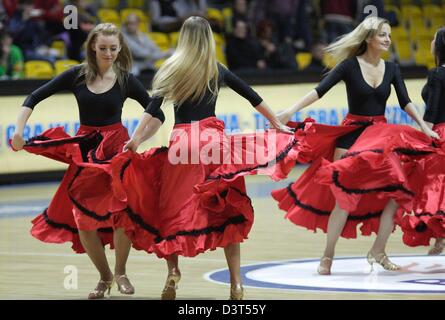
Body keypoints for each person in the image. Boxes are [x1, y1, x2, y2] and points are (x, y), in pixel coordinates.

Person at [111, 16, 296, 300]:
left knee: (171, 210)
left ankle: (172, 273)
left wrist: (135, 139)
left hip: (182, 143)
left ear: (183, 38)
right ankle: (236, 283)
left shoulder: (171, 69)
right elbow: (252, 96)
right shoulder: (216, 69)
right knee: (227, 211)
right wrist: (277, 124)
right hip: (212, 142)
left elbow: (151, 108)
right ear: (208, 38)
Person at [273, 17, 439, 275]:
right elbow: (320, 90)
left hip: (380, 138)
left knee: (397, 196)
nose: (388, 39)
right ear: (369, 38)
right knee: (345, 199)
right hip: (351, 137)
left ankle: (379, 250)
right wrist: (290, 111)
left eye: (389, 35)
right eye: (383, 35)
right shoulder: (349, 66)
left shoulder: (393, 68)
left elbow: (405, 101)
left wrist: (425, 127)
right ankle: (327, 256)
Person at [10, 23, 165, 299]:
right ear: (93, 46)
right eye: (103, 48)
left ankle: (121, 273)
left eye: (113, 49)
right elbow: (33, 98)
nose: (108, 53)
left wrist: (139, 140)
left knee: (121, 214)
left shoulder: (127, 79)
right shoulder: (76, 75)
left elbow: (157, 113)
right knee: (83, 220)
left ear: (120, 49)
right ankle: (104, 277)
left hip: (118, 149)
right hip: (85, 151)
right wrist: (19, 131)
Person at [398, 27, 445, 256]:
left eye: (434, 39)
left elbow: (433, 109)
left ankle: (439, 239)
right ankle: (440, 240)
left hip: (440, 134)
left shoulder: (437, 74)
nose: (431, 41)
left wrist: (421, 133)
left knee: (433, 187)